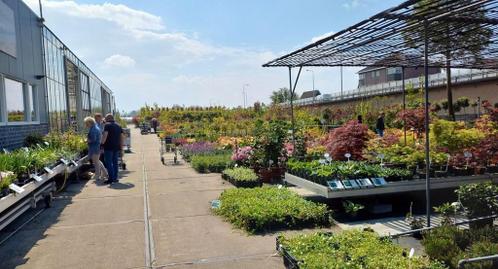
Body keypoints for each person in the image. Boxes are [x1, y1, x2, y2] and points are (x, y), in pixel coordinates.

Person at [101, 114, 123, 184]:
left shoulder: (107, 125)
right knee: (115, 162)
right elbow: (122, 137)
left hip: (108, 147)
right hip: (116, 147)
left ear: (107, 119)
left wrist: (101, 144)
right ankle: (115, 178)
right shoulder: (118, 125)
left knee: (108, 162)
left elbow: (105, 136)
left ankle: (111, 178)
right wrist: (121, 147)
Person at [84, 117, 108, 181]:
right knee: (98, 161)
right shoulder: (95, 127)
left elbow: (93, 139)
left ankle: (97, 176)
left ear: (90, 122)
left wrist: (86, 140)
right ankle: (105, 173)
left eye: (86, 123)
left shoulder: (93, 129)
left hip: (94, 147)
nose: (86, 125)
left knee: (96, 162)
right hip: (96, 147)